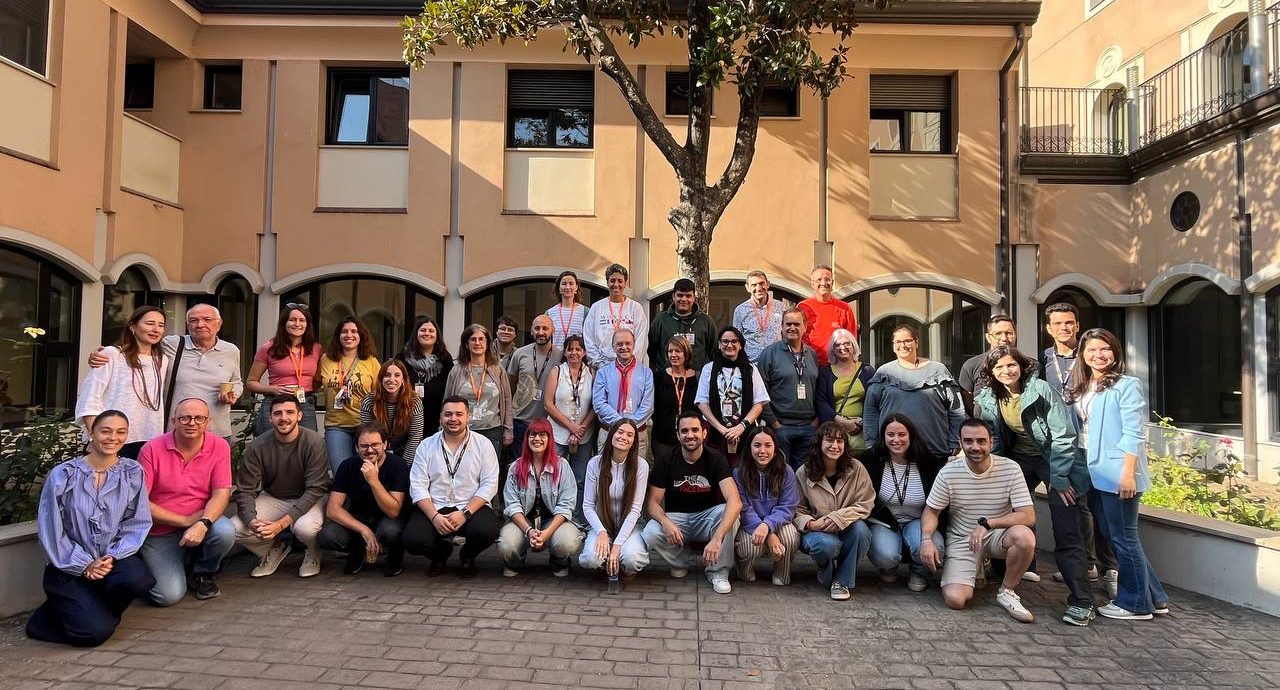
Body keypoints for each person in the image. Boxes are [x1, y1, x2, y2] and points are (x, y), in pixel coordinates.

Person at [974, 345, 1096, 625]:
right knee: (1001, 507)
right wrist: (997, 473)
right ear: (991, 372)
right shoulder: (989, 397)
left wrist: (1060, 477)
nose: (1007, 371)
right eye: (999, 367)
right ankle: (1005, 577)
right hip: (1019, 460)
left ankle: (1082, 600)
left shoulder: (1041, 390)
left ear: (1021, 365)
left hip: (1055, 461)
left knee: (1066, 525)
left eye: (1011, 365)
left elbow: (1064, 435)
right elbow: (993, 437)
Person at [26, 411, 155, 647]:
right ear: (91, 433)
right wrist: (84, 564)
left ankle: (89, 611)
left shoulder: (132, 472)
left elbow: (136, 522)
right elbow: (51, 530)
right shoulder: (63, 474)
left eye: (121, 432)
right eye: (105, 431)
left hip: (110, 561)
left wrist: (112, 556)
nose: (113, 438)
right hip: (67, 566)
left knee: (139, 579)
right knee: (94, 634)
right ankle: (47, 620)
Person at [1071, 328, 1170, 620]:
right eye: (1091, 350)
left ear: (1115, 353)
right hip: (1094, 471)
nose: (1098, 355)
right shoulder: (1085, 385)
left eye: (1105, 349)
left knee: (1124, 538)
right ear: (1083, 355)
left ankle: (1135, 604)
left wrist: (1128, 475)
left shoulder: (1126, 385)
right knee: (1115, 535)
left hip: (1118, 473)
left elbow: (1133, 433)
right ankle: (1155, 597)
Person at [920, 419, 1038, 623]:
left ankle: (1007, 591)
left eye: (981, 441)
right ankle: (977, 566)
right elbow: (931, 511)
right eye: (968, 441)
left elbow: (1028, 516)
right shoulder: (948, 472)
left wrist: (988, 524)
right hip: (962, 538)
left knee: (1025, 537)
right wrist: (926, 539)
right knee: (955, 600)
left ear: (991, 442)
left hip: (998, 535)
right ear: (961, 443)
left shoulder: (1011, 468)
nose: (975, 447)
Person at [1041, 302, 1117, 594]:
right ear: (1049, 329)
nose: (1064, 328)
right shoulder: (1043, 361)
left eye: (1069, 323)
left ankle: (1111, 569)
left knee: (1103, 508)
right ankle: (1087, 564)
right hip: (1065, 445)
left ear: (1077, 325)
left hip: (1096, 442)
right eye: (1058, 323)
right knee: (1079, 505)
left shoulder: (1089, 356)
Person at [91, 304, 244, 440]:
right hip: (177, 431)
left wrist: (234, 394)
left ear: (219, 324)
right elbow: (141, 346)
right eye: (194, 320)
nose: (200, 324)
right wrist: (106, 354)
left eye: (207, 320)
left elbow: (237, 381)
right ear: (187, 325)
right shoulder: (172, 344)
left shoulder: (231, 350)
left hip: (217, 430)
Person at [137, 398, 235, 605]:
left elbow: (221, 492)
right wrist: (184, 521)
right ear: (174, 421)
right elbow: (140, 502)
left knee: (225, 531)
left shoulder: (219, 446)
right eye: (185, 418)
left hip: (201, 521)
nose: (192, 423)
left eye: (199, 418)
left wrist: (203, 523)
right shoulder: (151, 449)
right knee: (167, 596)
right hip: (160, 530)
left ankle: (202, 572)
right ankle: (172, 562)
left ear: (208, 422)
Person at [640, 411, 741, 594]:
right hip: (677, 520)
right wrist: (666, 522)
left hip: (706, 518)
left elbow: (735, 501)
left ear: (704, 433)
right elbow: (652, 503)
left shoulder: (716, 458)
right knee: (650, 531)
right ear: (678, 435)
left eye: (695, 430)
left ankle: (718, 572)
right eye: (684, 431)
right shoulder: (666, 460)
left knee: (729, 513)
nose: (690, 435)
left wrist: (717, 538)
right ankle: (681, 561)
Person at [231, 395, 331, 579]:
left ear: (300, 415)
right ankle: (272, 548)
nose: (284, 418)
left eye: (290, 412)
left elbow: (316, 489)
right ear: (270, 418)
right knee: (235, 528)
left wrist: (281, 524)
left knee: (304, 528)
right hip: (274, 496)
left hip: (308, 497)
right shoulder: (257, 446)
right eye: (278, 413)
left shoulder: (314, 442)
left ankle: (313, 551)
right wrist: (252, 521)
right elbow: (245, 490)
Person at [405, 396, 502, 578]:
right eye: (448, 414)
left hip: (470, 506)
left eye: (459, 414)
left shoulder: (483, 444)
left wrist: (465, 514)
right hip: (435, 505)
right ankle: (439, 554)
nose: (453, 419)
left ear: (468, 417)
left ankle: (467, 556)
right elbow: (417, 486)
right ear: (441, 417)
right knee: (413, 539)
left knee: (487, 530)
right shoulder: (426, 446)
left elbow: (489, 485)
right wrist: (434, 517)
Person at [859, 414, 946, 593]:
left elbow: (940, 504)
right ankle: (888, 567)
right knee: (885, 555)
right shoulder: (870, 460)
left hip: (919, 520)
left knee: (935, 546)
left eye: (901, 434)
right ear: (883, 437)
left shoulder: (928, 462)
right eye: (890, 435)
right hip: (884, 522)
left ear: (911, 436)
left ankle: (919, 571)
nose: (896, 440)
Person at [794, 422, 875, 601]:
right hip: (817, 530)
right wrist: (810, 524)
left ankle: (841, 581)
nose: (835, 446)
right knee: (826, 545)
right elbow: (797, 508)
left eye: (840, 441)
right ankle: (827, 570)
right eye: (829, 440)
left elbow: (865, 502)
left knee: (862, 531)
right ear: (819, 443)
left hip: (847, 526)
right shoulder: (804, 471)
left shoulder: (856, 468)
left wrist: (838, 518)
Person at [75, 306, 169, 458]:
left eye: (161, 325)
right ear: (132, 327)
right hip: (112, 440)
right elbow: (89, 399)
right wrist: (95, 438)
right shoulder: (112, 354)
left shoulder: (162, 360)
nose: (156, 329)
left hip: (149, 440)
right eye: (150, 323)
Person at [862, 323, 965, 462]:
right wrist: (871, 442)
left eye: (907, 341)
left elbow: (956, 409)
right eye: (898, 342)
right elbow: (870, 410)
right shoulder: (884, 372)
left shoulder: (938, 370)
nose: (903, 345)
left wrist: (955, 440)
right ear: (893, 345)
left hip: (934, 451)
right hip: (893, 453)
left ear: (916, 342)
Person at [318, 422, 409, 577]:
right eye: (364, 446)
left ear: (385, 444)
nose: (370, 450)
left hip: (387, 519)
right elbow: (332, 510)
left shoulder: (398, 465)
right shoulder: (347, 466)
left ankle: (394, 555)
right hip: (359, 517)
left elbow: (393, 511)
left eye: (375, 445)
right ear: (356, 448)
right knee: (329, 535)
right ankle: (358, 549)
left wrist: (374, 481)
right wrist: (364, 530)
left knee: (389, 531)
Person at [497, 418, 583, 577]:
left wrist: (547, 533)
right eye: (533, 434)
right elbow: (512, 505)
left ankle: (559, 562)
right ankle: (514, 563)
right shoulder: (516, 467)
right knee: (507, 543)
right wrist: (529, 531)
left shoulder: (562, 466)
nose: (537, 439)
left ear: (550, 438)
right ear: (527, 438)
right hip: (524, 523)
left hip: (554, 522)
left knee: (567, 541)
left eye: (543, 435)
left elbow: (566, 506)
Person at [579, 419, 650, 577]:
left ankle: (625, 567)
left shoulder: (641, 466)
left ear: (634, 442)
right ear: (611, 435)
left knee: (632, 558)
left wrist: (617, 545)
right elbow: (588, 505)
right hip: (603, 525)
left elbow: (635, 509)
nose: (624, 437)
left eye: (630, 435)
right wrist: (601, 532)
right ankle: (606, 563)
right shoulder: (594, 464)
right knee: (591, 559)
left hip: (631, 527)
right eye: (620, 432)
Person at [733, 426, 801, 586]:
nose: (762, 451)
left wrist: (768, 526)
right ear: (749, 449)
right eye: (757, 445)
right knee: (751, 547)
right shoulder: (739, 473)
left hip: (778, 523)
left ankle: (781, 571)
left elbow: (788, 506)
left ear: (775, 449)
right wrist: (767, 532)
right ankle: (744, 569)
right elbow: (743, 508)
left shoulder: (786, 471)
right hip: (750, 525)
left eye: (768, 445)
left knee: (790, 536)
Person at [316, 316, 380, 474]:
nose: (349, 335)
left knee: (364, 474)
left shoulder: (371, 361)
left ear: (361, 335)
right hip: (336, 425)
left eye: (354, 331)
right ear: (338, 336)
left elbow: (378, 395)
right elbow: (314, 382)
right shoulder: (326, 359)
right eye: (344, 331)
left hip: (364, 425)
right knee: (341, 473)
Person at [696, 326, 769, 465]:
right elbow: (702, 402)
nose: (729, 345)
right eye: (725, 341)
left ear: (740, 345)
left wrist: (741, 427)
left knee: (743, 470)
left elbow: (759, 403)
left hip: (745, 431)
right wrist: (722, 429)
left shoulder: (751, 369)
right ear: (719, 344)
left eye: (734, 341)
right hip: (715, 432)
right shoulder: (708, 369)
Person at [246, 303, 323, 436]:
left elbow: (318, 380)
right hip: (276, 402)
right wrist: (272, 389)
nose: (297, 324)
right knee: (270, 444)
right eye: (292, 320)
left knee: (307, 443)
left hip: (305, 403)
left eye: (302, 320)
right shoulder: (268, 348)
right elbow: (250, 382)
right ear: (284, 323)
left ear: (307, 324)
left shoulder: (316, 349)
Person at [543, 333, 596, 525]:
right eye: (570, 349)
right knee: (553, 477)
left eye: (578, 349)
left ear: (584, 352)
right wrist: (571, 427)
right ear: (564, 352)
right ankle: (553, 519)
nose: (574, 352)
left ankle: (578, 519)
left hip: (584, 433)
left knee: (580, 479)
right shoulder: (557, 371)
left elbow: (595, 405)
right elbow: (548, 404)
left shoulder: (592, 373)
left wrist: (580, 429)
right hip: (557, 432)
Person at [757, 308, 820, 468]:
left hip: (808, 426)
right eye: (788, 324)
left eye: (796, 324)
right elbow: (760, 393)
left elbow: (818, 390)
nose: (792, 328)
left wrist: (815, 421)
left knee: (805, 474)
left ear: (805, 327)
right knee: (779, 472)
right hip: (781, 425)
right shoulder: (769, 354)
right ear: (782, 327)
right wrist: (774, 423)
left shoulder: (812, 355)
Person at [444, 324, 513, 457]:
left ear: (487, 344)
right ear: (466, 344)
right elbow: (447, 400)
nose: (477, 343)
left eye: (481, 339)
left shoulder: (498, 369)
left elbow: (507, 400)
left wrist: (508, 429)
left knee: (490, 468)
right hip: (463, 430)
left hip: (492, 430)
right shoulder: (456, 371)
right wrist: (443, 427)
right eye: (473, 339)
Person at [592, 328, 655, 460]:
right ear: (613, 347)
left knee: (636, 470)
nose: (624, 347)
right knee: (605, 470)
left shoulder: (646, 373)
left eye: (628, 343)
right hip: (609, 432)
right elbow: (599, 403)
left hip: (637, 434)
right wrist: (620, 424)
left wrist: (630, 426)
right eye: (619, 344)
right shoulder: (603, 373)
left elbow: (648, 405)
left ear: (634, 345)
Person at [507, 314, 563, 459]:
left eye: (545, 328)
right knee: (519, 463)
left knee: (543, 464)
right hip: (520, 420)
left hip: (547, 421)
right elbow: (511, 385)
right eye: (537, 328)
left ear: (553, 331)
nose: (541, 332)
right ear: (531, 331)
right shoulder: (519, 354)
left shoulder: (561, 356)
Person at [816, 329, 876, 452]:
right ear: (832, 349)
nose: (842, 347)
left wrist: (861, 422)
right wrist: (841, 421)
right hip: (835, 431)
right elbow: (820, 402)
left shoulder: (867, 371)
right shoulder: (825, 372)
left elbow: (875, 401)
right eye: (837, 345)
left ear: (853, 346)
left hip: (861, 431)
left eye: (846, 343)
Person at [359, 359, 425, 465]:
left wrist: (403, 466)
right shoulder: (369, 401)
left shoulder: (414, 401)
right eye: (387, 375)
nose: (391, 379)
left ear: (403, 380)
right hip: (377, 452)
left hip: (404, 452)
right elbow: (367, 436)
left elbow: (415, 437)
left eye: (397, 375)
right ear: (381, 379)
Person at [584, 263, 648, 369]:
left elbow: (641, 340)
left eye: (620, 281)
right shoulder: (596, 307)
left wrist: (629, 364)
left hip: (629, 367)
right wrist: (599, 364)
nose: (616, 284)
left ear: (625, 283)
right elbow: (588, 338)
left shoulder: (635, 308)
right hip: (603, 367)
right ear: (607, 282)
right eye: (612, 280)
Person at [400, 315, 454, 438]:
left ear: (437, 335)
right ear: (416, 334)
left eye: (431, 331)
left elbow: (450, 390)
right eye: (423, 330)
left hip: (435, 422)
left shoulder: (445, 360)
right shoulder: (402, 358)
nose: (427, 334)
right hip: (407, 421)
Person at [648, 278, 717, 371]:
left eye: (688, 296)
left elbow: (713, 352)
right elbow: (652, 350)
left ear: (694, 297)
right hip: (666, 377)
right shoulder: (660, 320)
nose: (684, 299)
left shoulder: (706, 321)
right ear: (673, 296)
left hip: (698, 377)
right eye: (680, 295)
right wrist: (663, 369)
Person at [651, 336, 700, 462]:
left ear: (686, 353)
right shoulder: (658, 377)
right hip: (663, 438)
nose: (673, 355)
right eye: (670, 351)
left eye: (678, 351)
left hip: (690, 438)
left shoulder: (698, 378)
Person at [797, 265, 856, 366]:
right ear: (812, 284)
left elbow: (851, 340)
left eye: (827, 279)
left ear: (833, 283)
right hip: (809, 365)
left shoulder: (844, 308)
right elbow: (796, 336)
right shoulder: (803, 307)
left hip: (836, 365)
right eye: (819, 280)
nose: (823, 283)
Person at [733, 270, 786, 364]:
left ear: (768, 284)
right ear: (747, 288)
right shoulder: (740, 310)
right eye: (754, 285)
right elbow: (736, 340)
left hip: (777, 363)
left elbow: (786, 334)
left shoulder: (781, 307)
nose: (758, 288)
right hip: (751, 364)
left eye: (762, 283)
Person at [546, 270, 587, 349]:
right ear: (559, 288)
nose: (567, 287)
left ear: (576, 287)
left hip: (575, 355)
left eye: (571, 283)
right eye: (564, 284)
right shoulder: (549, 313)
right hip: (555, 355)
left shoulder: (585, 312)